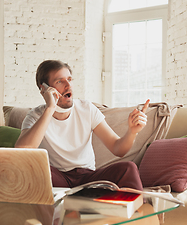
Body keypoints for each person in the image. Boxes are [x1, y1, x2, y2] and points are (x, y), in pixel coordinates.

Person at [15, 60, 150, 190]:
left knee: (129, 168)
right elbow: (22, 150)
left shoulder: (86, 109)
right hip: (57, 178)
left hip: (88, 177)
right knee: (36, 167)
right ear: (44, 89)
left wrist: (132, 132)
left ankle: (143, 211)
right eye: (59, 81)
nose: (68, 85)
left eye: (69, 79)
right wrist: (50, 108)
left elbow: (118, 149)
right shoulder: (36, 116)